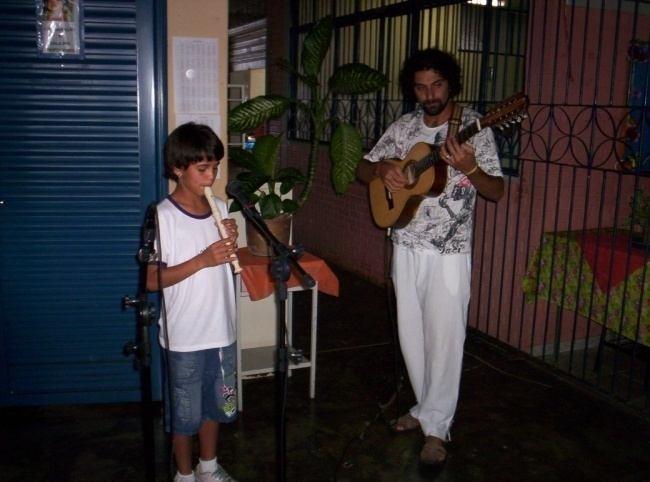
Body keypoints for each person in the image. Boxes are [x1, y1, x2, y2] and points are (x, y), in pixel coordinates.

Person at [357, 48, 504, 465]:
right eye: (421, 87)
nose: (429, 94)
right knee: (412, 336)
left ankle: (438, 428)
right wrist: (384, 168)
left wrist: (471, 169)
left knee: (445, 338)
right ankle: (425, 409)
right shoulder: (404, 127)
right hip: (405, 243)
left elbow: (496, 191)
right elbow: (363, 170)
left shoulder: (475, 129)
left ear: (451, 83)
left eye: (436, 85)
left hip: (449, 252)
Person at [147, 123, 239, 482]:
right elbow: (152, 279)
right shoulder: (162, 216)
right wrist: (203, 258)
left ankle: (209, 468)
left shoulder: (219, 206)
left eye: (215, 167)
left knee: (217, 405)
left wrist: (230, 241)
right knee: (184, 414)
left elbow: (224, 267)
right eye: (203, 169)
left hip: (221, 330)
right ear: (177, 169)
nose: (212, 176)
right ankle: (184, 475)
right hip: (185, 336)